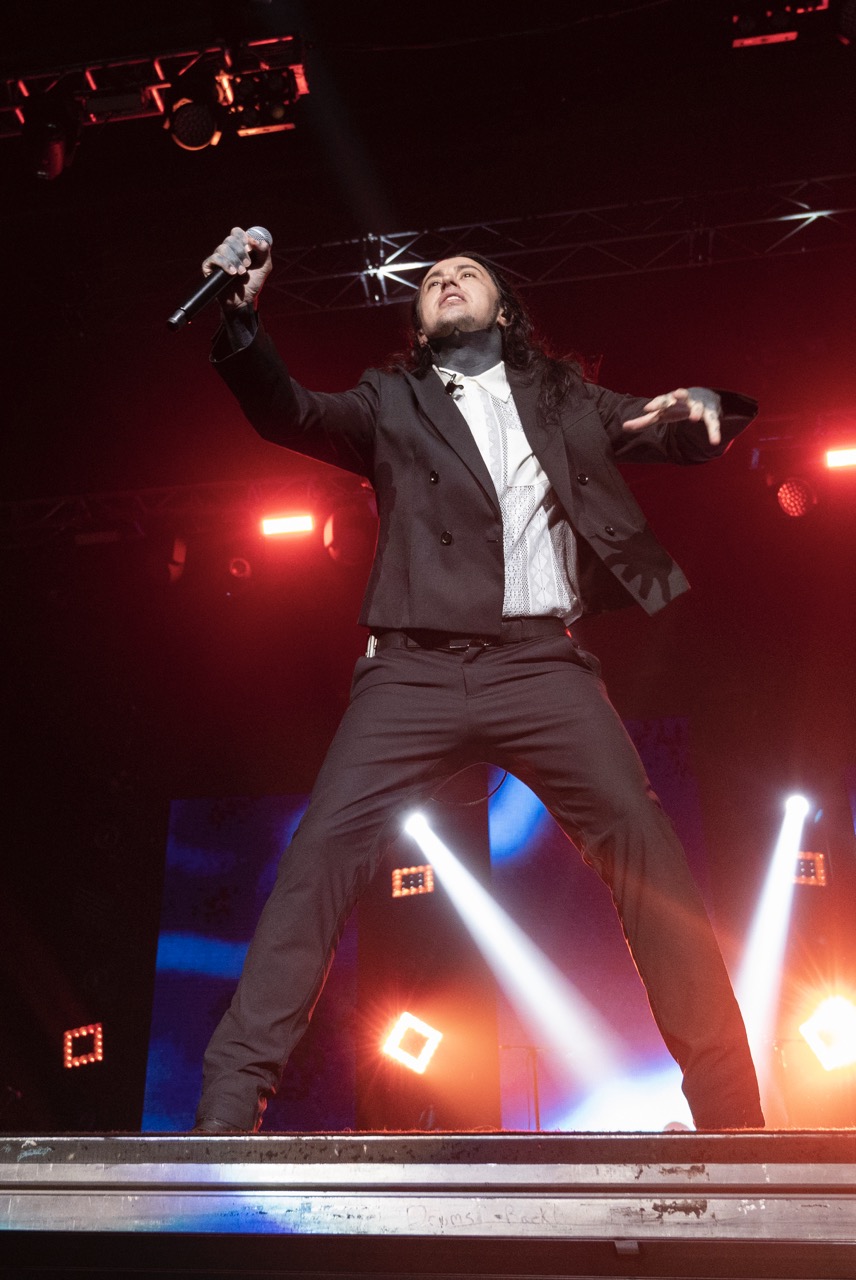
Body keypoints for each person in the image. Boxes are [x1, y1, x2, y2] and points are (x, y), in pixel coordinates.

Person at [192, 227, 764, 1134]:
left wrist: (699, 408)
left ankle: (734, 1118)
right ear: (420, 324)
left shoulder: (563, 395)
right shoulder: (391, 399)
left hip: (540, 666)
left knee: (645, 849)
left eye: (468, 272)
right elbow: (289, 411)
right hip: (410, 672)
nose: (448, 278)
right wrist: (240, 317)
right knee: (317, 859)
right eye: (432, 279)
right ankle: (225, 1113)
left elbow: (664, 425)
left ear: (506, 310)